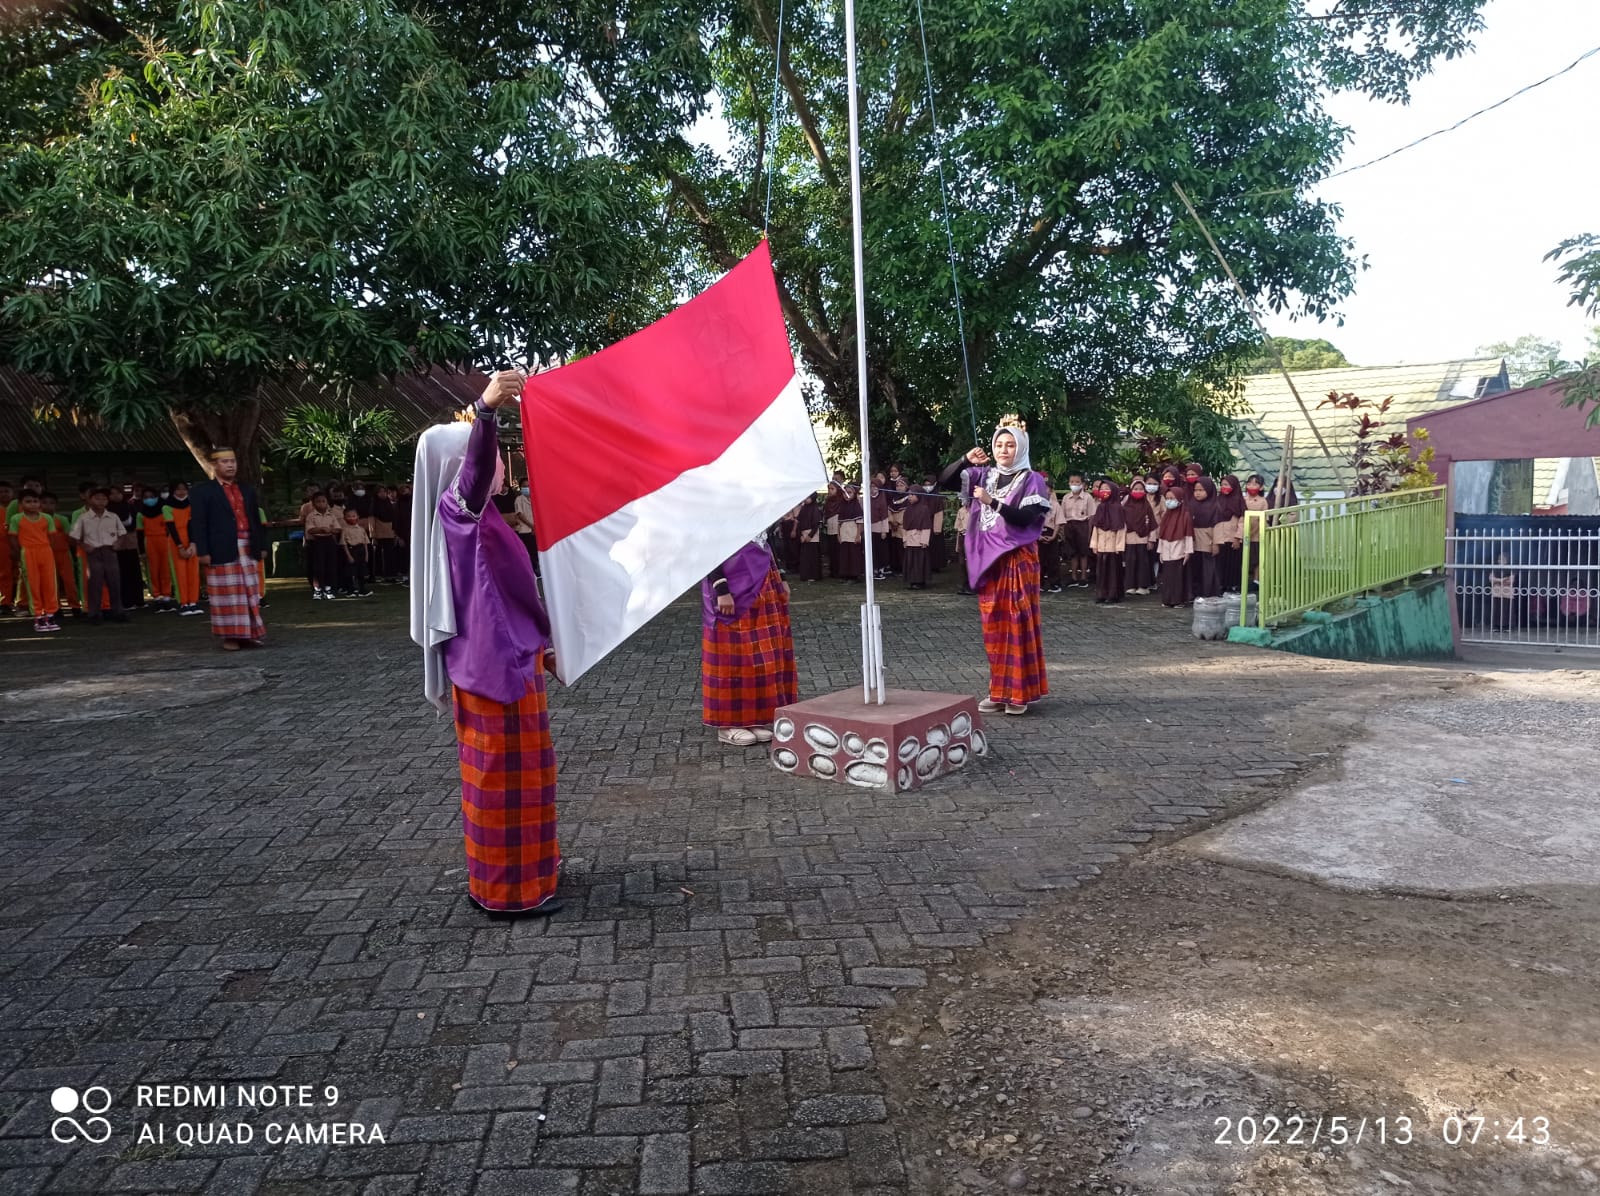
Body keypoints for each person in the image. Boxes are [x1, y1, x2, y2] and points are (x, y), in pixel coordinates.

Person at [411, 369, 563, 918]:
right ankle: (508, 893)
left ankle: (531, 873)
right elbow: (475, 471)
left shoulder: (483, 518)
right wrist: (486, 410)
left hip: (510, 661)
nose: (501, 464)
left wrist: (547, 649)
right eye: (497, 456)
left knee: (528, 778)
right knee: (503, 783)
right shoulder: (460, 512)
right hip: (496, 671)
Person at [938, 419, 1051, 715]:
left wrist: (992, 502)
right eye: (999, 444)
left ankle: (1019, 695)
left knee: (1017, 623)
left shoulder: (1032, 479)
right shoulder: (983, 475)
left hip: (1017, 559)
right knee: (993, 627)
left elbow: (1027, 518)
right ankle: (999, 691)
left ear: (1021, 448)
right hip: (988, 561)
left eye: (1010, 445)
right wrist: (965, 459)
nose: (1004, 450)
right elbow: (945, 480)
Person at [702, 537, 798, 747]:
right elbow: (708, 545)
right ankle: (728, 724)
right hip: (733, 583)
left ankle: (752, 718)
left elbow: (769, 538)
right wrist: (721, 588)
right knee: (732, 656)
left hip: (763, 577)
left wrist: (782, 577)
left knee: (761, 654)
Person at [190, 447, 268, 650]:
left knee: (250, 593)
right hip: (220, 548)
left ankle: (248, 634)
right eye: (225, 462)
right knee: (227, 595)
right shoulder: (202, 491)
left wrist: (261, 545)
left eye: (233, 461)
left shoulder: (246, 489)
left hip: (247, 545)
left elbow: (256, 520)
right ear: (214, 465)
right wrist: (203, 551)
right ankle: (230, 637)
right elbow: (198, 523)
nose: (230, 465)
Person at [70, 488, 128, 624]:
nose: (101, 501)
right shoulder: (83, 518)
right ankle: (94, 614)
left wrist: (118, 543)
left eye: (104, 499)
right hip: (93, 552)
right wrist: (84, 546)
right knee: (94, 584)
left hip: (110, 551)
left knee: (114, 582)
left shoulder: (113, 516)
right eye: (97, 498)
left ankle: (118, 612)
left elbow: (122, 533)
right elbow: (74, 537)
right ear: (89, 500)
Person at [10, 490, 62, 632]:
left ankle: (50, 615)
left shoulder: (47, 518)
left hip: (45, 551)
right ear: (21, 504)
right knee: (33, 584)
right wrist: (18, 553)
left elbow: (52, 537)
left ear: (39, 503)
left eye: (35, 501)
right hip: (28, 552)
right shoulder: (16, 518)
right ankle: (38, 617)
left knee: (49, 584)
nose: (32, 504)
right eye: (28, 501)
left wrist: (49, 550)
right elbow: (13, 538)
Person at [161, 482, 204, 615]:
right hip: (176, 541)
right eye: (178, 489)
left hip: (191, 540)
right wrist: (180, 546)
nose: (181, 492)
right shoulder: (167, 507)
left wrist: (193, 543)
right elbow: (171, 528)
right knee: (179, 573)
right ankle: (183, 603)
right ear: (173, 491)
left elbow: (192, 525)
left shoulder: (191, 505)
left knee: (193, 572)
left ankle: (193, 602)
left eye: (184, 489)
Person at [40, 493, 83, 617]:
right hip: (47, 555)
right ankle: (55, 607)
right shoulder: (38, 519)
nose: (48, 506)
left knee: (69, 581)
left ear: (56, 505)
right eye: (44, 503)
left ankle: (75, 606)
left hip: (64, 554)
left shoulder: (62, 519)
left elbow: (69, 536)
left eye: (51, 503)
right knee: (51, 582)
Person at [137, 486, 177, 612]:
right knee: (153, 570)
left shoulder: (163, 510)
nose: (149, 499)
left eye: (151, 496)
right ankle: (157, 596)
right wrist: (142, 552)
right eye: (146, 497)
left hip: (164, 540)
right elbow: (139, 534)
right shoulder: (140, 514)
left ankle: (167, 596)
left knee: (166, 569)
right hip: (149, 541)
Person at [1089, 480, 1127, 604]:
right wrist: (1094, 544)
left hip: (1113, 547)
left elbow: (1121, 528)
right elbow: (1096, 527)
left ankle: (1113, 595)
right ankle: (1102, 594)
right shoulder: (1100, 507)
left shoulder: (1118, 508)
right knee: (1101, 572)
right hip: (1101, 546)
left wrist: (1119, 547)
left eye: (1107, 488)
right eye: (1102, 489)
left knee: (1113, 573)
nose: (1104, 491)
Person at [1157, 486, 1195, 608]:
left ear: (1180, 499)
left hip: (1179, 551)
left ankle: (1178, 600)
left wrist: (1188, 552)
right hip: (1166, 552)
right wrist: (1160, 551)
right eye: (1167, 498)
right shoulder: (1166, 516)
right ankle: (1167, 599)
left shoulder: (1185, 515)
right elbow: (1162, 535)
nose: (1169, 501)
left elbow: (1188, 535)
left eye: (1172, 498)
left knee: (1178, 578)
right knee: (1167, 578)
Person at [1057, 474, 1096, 589]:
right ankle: (1073, 577)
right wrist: (1063, 530)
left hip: (1083, 525)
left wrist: (1089, 531)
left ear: (1082, 484)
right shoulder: (1066, 498)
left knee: (1083, 552)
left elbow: (1091, 516)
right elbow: (1062, 515)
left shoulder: (1088, 497)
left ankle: (1083, 577)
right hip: (1069, 525)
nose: (1074, 484)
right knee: (1072, 553)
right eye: (1072, 482)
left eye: (1077, 482)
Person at [898, 482, 937, 589]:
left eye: (912, 495)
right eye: (909, 495)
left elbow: (926, 526)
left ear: (919, 495)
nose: (910, 497)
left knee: (919, 561)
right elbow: (905, 526)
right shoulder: (908, 509)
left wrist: (924, 541)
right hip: (910, 539)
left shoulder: (924, 509)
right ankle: (912, 580)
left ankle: (920, 581)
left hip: (919, 540)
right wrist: (904, 539)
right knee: (910, 561)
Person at [1123, 480, 1159, 595]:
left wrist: (1151, 540)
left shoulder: (1147, 506)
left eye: (1141, 489)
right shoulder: (1125, 506)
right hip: (1129, 539)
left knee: (1143, 563)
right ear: (1131, 490)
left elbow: (1152, 524)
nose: (1138, 491)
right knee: (1130, 562)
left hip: (1143, 539)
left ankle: (1142, 586)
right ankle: (1130, 585)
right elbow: (1122, 524)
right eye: (1135, 489)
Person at [1189, 476, 1222, 599]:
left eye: (1201, 490)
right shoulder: (1191, 504)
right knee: (1195, 567)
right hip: (1194, 540)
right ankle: (1195, 592)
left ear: (1209, 490)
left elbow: (1218, 526)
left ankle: (1208, 592)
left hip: (1208, 540)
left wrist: (1216, 543)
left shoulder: (1215, 506)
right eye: (1196, 490)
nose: (1197, 493)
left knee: (1208, 568)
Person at [303, 492, 341, 599]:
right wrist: (321, 529)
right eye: (318, 502)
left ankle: (329, 589)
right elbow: (310, 530)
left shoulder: (331, 515)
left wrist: (331, 530)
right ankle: (318, 589)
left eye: (323, 501)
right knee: (318, 566)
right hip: (317, 541)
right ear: (313, 503)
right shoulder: (311, 516)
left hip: (329, 540)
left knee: (330, 565)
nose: (321, 504)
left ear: (327, 502)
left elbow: (338, 529)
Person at [1215, 475, 1246, 592]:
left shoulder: (1239, 501)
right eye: (1222, 485)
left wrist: (1238, 537)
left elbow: (1242, 522)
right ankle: (1221, 585)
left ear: (1234, 486)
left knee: (1233, 563)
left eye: (1226, 485)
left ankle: (1233, 585)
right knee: (1220, 563)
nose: (1224, 487)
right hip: (1220, 538)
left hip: (1233, 538)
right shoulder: (1218, 500)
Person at [339, 508, 374, 596]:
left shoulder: (361, 529)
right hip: (351, 550)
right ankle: (350, 590)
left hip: (361, 551)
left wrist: (366, 555)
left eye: (353, 516)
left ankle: (362, 589)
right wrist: (349, 556)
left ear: (358, 517)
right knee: (350, 572)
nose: (351, 518)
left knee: (361, 572)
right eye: (349, 516)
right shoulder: (344, 530)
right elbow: (344, 544)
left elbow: (365, 543)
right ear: (344, 518)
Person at [836, 483, 865, 581]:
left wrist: (858, 535)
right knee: (844, 554)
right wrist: (838, 535)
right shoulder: (842, 506)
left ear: (854, 493)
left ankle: (855, 575)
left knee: (854, 555)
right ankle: (845, 574)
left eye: (849, 493)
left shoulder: (857, 506)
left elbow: (860, 523)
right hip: (844, 534)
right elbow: (839, 523)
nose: (846, 495)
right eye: (845, 493)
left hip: (853, 534)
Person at [795, 494, 823, 581]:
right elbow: (799, 522)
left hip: (812, 535)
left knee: (813, 556)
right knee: (805, 557)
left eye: (808, 497)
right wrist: (800, 535)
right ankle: (806, 575)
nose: (806, 499)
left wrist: (810, 536)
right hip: (803, 535)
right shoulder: (803, 508)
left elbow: (816, 524)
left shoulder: (815, 509)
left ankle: (814, 575)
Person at [0, 480, 15, 616]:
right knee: (4, 574)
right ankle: (5, 602)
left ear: (12, 493)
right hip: (2, 545)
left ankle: (23, 603)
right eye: (0, 492)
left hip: (19, 543)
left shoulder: (19, 508)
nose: (3, 494)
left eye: (6, 491)